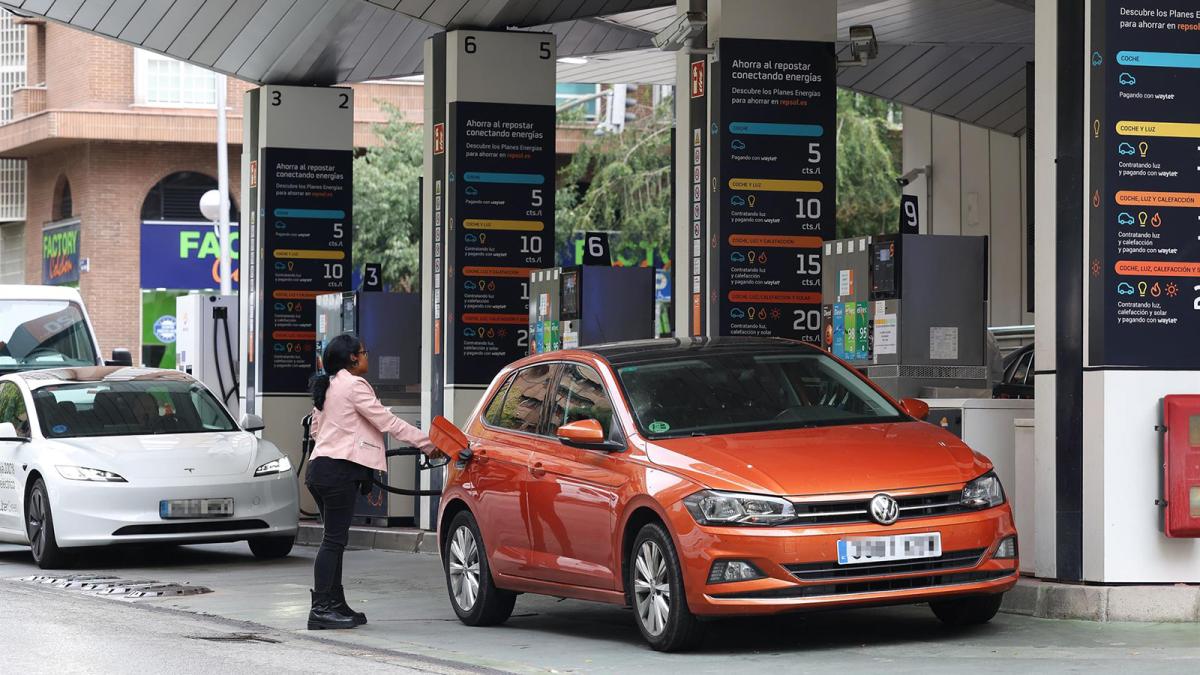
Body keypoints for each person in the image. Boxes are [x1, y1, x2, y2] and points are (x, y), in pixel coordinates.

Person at [305, 333, 440, 630]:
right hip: (338, 472)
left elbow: (316, 430)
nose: (368, 357)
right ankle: (321, 608)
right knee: (333, 541)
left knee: (334, 539)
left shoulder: (329, 385)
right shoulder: (354, 385)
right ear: (353, 358)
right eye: (364, 353)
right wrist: (427, 443)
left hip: (320, 470)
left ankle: (335, 603)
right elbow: (387, 422)